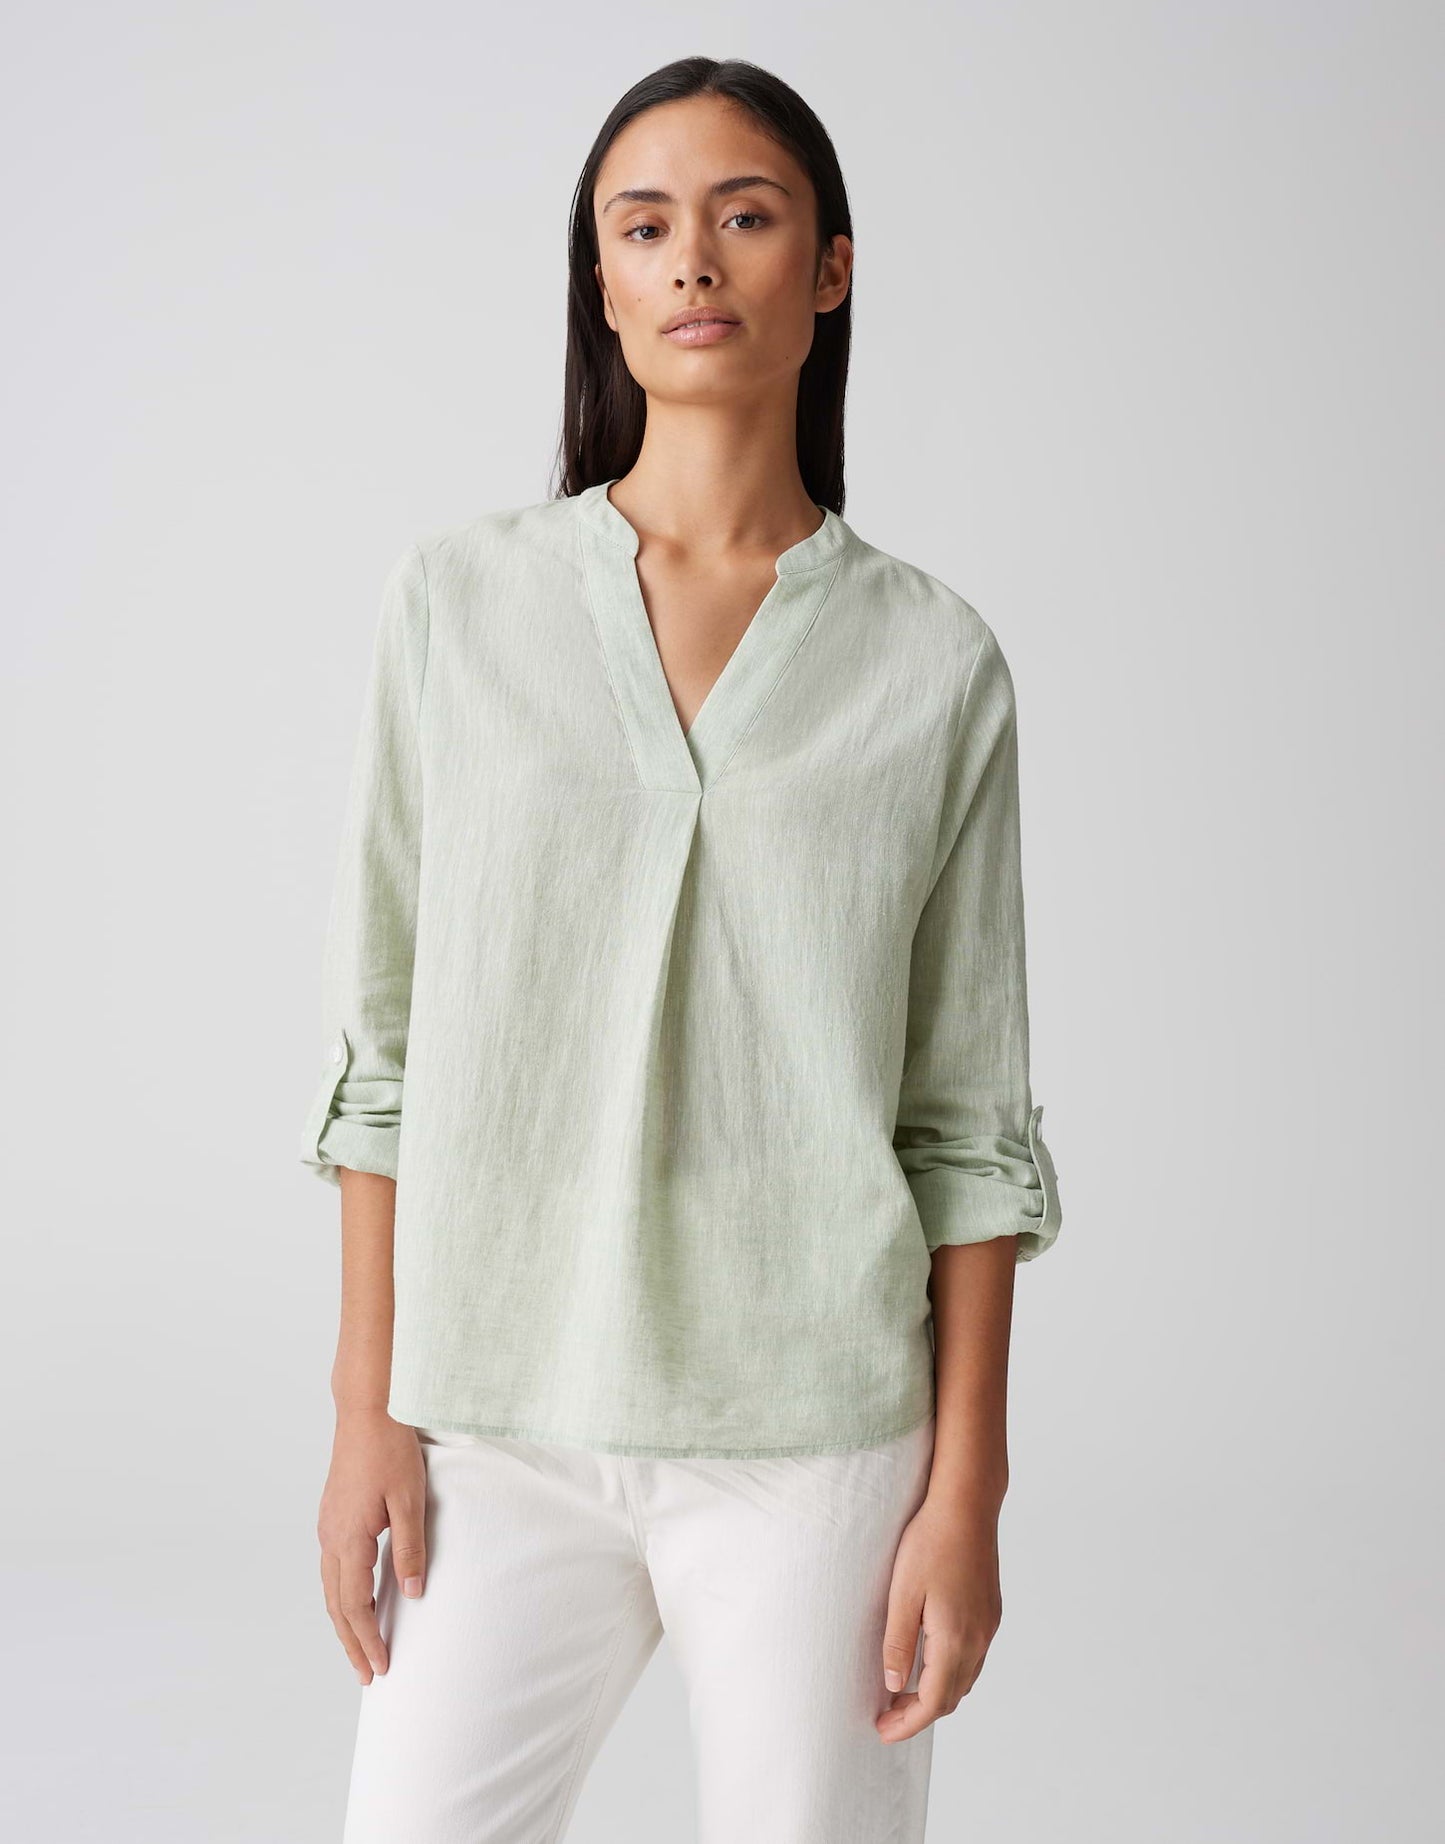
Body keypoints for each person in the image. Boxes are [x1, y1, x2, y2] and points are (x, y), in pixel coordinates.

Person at [301, 54, 1064, 1844]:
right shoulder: (460, 606)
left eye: (745, 215)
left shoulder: (932, 664)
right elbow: (385, 1053)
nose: (693, 260)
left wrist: (966, 1486)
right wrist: (365, 1411)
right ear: (602, 283)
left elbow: (965, 1123)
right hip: (494, 1410)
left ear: (830, 267)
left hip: (815, 1430)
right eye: (643, 227)